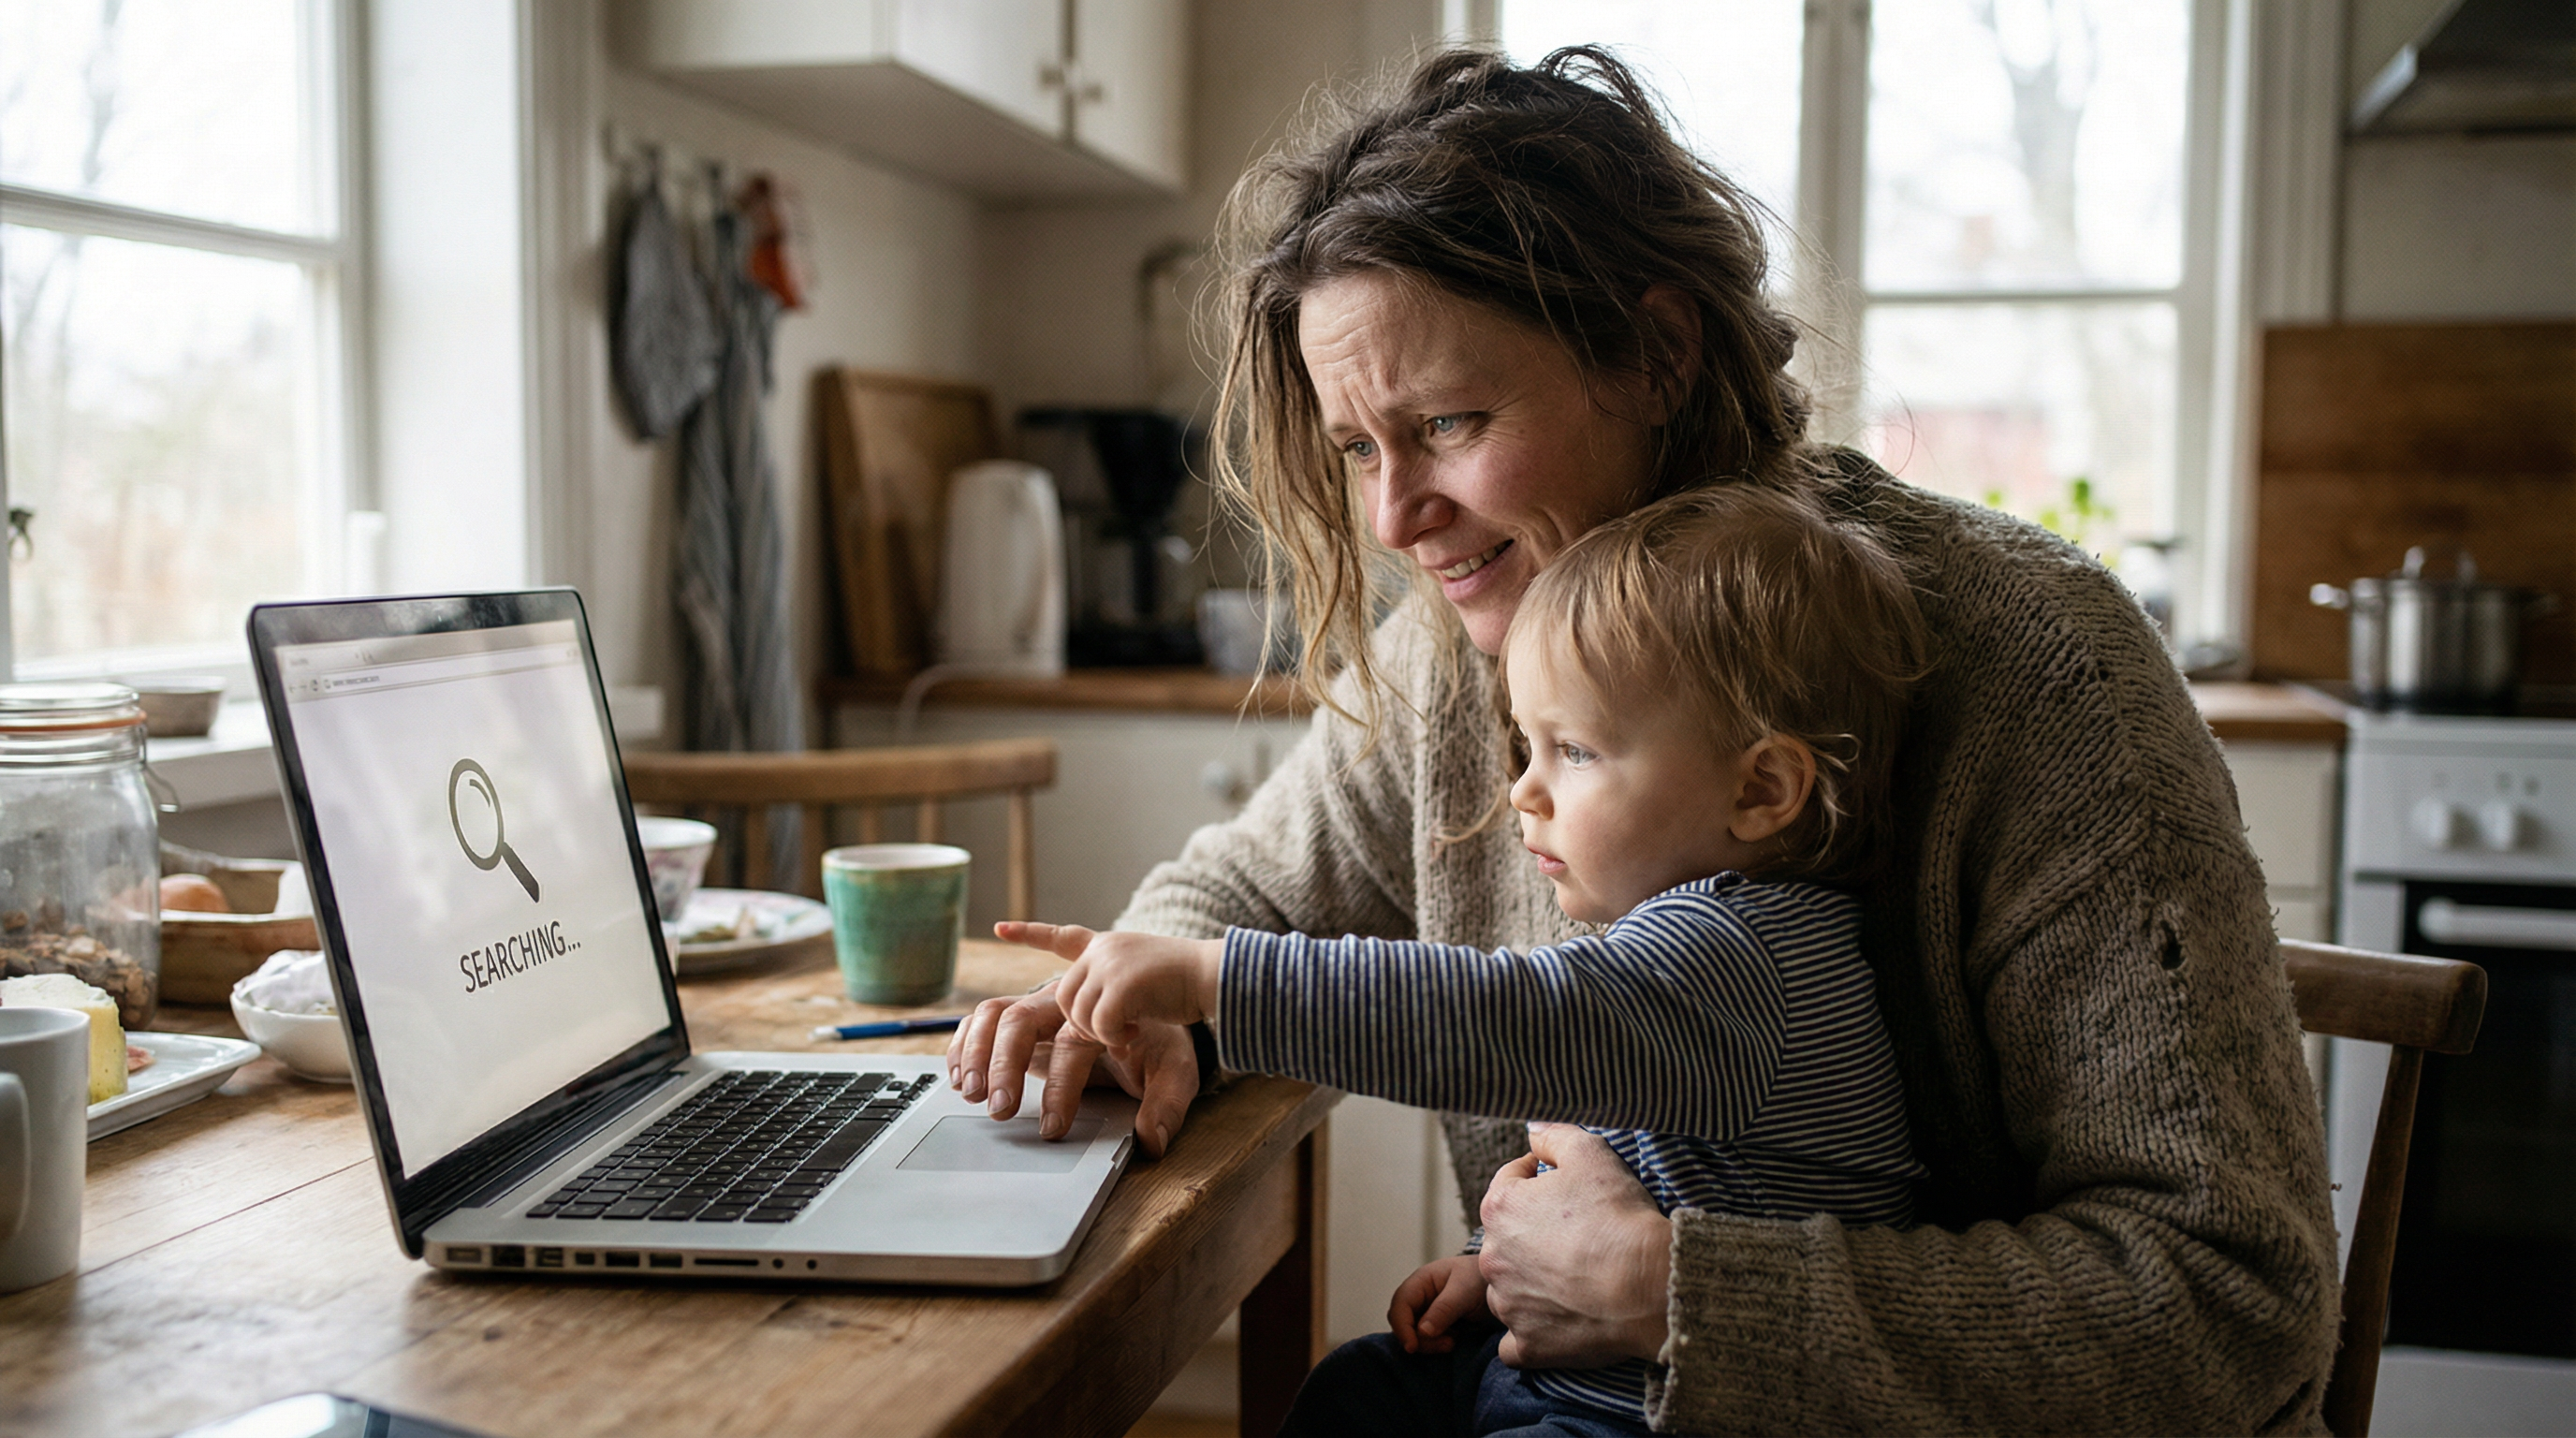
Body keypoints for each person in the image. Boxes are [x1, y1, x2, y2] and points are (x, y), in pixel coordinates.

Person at [948, 46, 2339, 1433]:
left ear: (1658, 355)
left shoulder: (2037, 662)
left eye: (1448, 422)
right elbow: (1241, 892)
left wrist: (1675, 1295)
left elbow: (2232, 1308)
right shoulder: (1464, 649)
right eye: (1360, 448)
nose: (1391, 519)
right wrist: (1134, 1012)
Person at [998, 486, 1926, 1436]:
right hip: (1572, 1384)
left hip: (1654, 1417)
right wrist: (1494, 1266)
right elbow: (1645, 1167)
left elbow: (1496, 1018)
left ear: (1762, 788)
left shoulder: (1747, 962)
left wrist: (1217, 980)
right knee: (1358, 1386)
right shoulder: (1693, 946)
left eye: (1574, 751)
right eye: (1528, 744)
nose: (1523, 790)